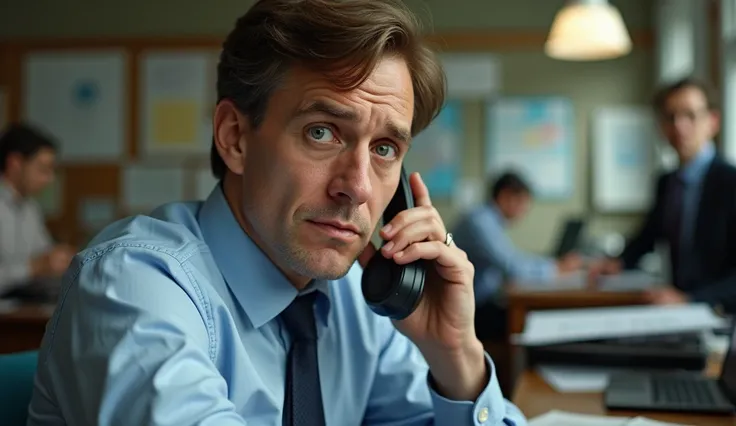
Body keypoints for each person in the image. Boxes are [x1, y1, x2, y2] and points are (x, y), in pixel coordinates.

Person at [27, 1, 526, 425]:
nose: (356, 188)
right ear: (235, 137)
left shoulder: (357, 302)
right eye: (322, 132)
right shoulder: (132, 286)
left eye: (385, 149)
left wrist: (454, 355)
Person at [589, 77, 736, 312]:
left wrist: (690, 299)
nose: (679, 126)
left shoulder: (730, 182)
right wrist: (617, 264)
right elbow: (649, 235)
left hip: (721, 314)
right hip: (678, 312)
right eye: (670, 117)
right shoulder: (667, 182)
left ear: (713, 121)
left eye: (690, 115)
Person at [452, 171, 582, 341]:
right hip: (473, 311)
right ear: (506, 196)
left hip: (478, 303)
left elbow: (513, 258)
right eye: (522, 202)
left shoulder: (488, 219)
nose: (524, 210)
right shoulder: (480, 221)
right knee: (536, 321)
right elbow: (512, 266)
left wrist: (553, 265)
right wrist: (556, 268)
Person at [0, 123, 74, 296]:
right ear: (15, 163)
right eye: (43, 169)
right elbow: (37, 266)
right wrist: (33, 267)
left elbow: (44, 253)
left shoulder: (30, 208)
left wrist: (59, 259)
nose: (50, 179)